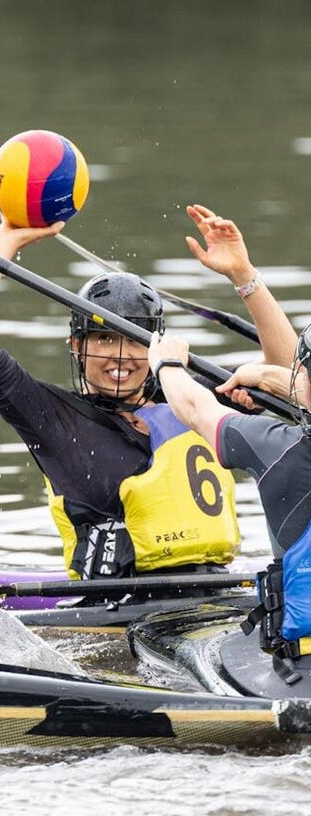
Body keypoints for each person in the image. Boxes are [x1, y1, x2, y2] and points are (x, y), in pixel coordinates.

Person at [0, 217, 243, 581]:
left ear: (155, 346)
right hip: (120, 607)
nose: (120, 355)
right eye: (103, 339)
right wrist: (5, 240)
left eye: (135, 339)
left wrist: (244, 277)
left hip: (220, 589)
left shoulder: (194, 397)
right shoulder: (53, 419)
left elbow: (286, 376)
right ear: (77, 346)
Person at [148, 208, 311, 681]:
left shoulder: (277, 448)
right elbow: (300, 380)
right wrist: (244, 277)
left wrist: (168, 365)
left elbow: (197, 409)